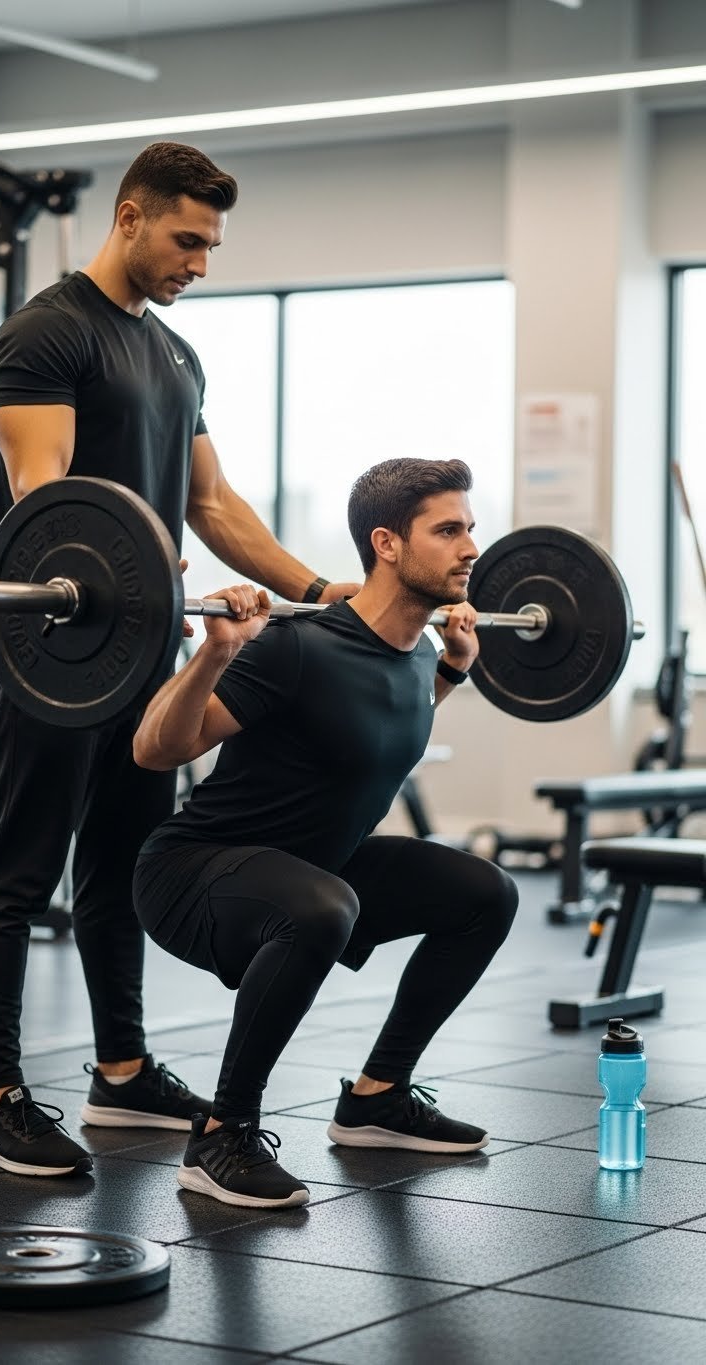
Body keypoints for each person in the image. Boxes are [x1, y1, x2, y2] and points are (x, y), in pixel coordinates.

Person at [0, 140, 359, 1180]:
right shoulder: (47, 333)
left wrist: (324, 593)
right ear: (130, 218)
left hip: (144, 657)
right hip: (53, 653)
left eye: (212, 243)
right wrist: (119, 552)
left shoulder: (175, 355)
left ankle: (121, 1071)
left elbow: (212, 506)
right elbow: (44, 499)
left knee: (119, 866)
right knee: (17, 870)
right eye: (188, 238)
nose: (202, 261)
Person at [132, 456, 519, 1210]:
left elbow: (369, 725)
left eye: (470, 528)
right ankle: (221, 1134)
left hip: (317, 870)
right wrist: (216, 651)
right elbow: (155, 748)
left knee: (484, 892)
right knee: (323, 905)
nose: (471, 546)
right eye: (448, 530)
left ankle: (376, 1098)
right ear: (387, 543)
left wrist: (454, 672)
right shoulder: (297, 645)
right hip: (194, 874)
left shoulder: (412, 655)